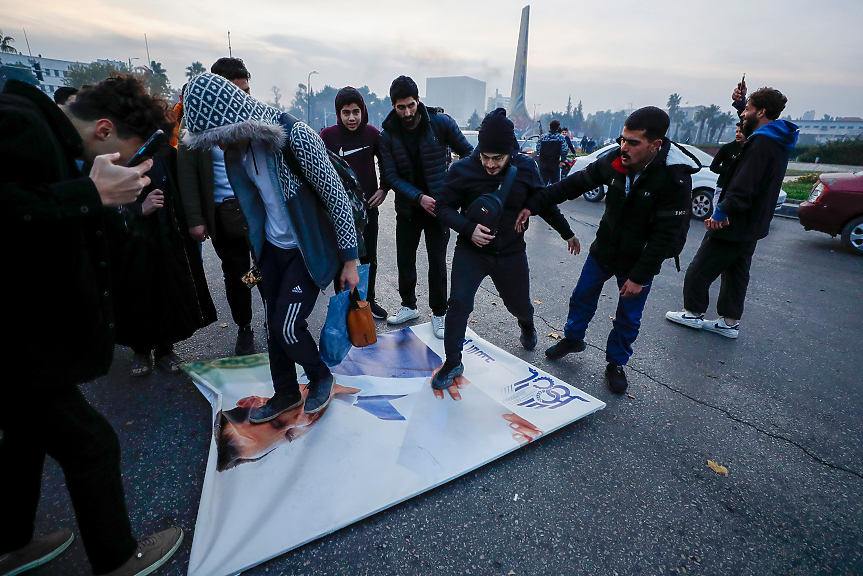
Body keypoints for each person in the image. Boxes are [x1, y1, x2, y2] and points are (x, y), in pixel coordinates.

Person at [0, 77, 182, 576]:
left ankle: (10, 545)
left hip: (22, 339)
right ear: (103, 130)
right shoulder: (19, 122)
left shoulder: (54, 142)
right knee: (92, 444)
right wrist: (88, 191)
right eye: (125, 157)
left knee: (22, 439)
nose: (125, 169)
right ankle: (118, 560)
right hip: (14, 341)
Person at [182, 72, 360, 422]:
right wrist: (254, 258)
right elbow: (256, 207)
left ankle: (321, 376)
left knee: (288, 325)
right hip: (271, 251)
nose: (219, 146)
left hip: (307, 248)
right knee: (271, 324)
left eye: (220, 137)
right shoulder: (239, 152)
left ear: (234, 122)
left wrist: (350, 259)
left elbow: (336, 198)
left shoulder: (295, 137)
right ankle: (286, 393)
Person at [517, 107, 696, 394]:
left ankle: (616, 363)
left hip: (640, 260)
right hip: (605, 249)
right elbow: (572, 185)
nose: (624, 147)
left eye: (633, 142)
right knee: (582, 296)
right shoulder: (615, 160)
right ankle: (573, 339)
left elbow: (666, 237)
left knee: (628, 316)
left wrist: (638, 277)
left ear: (655, 145)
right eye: (622, 139)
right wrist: (532, 206)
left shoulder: (673, 178)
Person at [433, 109, 578, 391]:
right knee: (459, 304)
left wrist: (567, 232)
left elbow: (544, 202)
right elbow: (443, 207)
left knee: (518, 305)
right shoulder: (463, 169)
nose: (489, 165)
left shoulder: (525, 168)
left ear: (510, 152)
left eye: (497, 159)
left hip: (511, 253)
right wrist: (467, 228)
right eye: (484, 157)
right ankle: (452, 361)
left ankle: (527, 323)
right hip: (471, 252)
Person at [94, 78, 216, 376]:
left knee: (168, 289)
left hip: (166, 235)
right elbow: (100, 200)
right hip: (128, 239)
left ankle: (165, 349)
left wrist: (192, 220)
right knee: (135, 292)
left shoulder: (162, 149)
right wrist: (139, 209)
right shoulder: (109, 154)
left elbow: (184, 184)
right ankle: (140, 351)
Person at [666, 88, 798, 339]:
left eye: (748, 109)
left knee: (700, 268)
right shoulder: (777, 137)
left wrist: (722, 210)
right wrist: (740, 104)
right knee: (737, 272)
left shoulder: (762, 143)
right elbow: (752, 127)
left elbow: (746, 182)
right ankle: (729, 322)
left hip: (736, 220)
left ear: (761, 111)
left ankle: (693, 312)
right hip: (754, 221)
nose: (743, 116)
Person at [378, 75, 473, 338]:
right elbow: (391, 176)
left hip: (439, 208)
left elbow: (469, 154)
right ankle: (408, 305)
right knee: (405, 260)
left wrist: (452, 183)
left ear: (418, 100)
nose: (407, 112)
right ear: (393, 105)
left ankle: (439, 314)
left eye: (411, 105)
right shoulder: (387, 135)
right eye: (401, 107)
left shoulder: (441, 123)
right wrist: (418, 197)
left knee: (437, 263)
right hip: (408, 208)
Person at [178, 58, 258, 356]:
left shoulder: (254, 116)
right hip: (224, 216)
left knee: (265, 267)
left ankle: (274, 322)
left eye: (247, 91)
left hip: (257, 211)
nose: (243, 98)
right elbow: (186, 174)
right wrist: (195, 219)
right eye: (237, 92)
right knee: (236, 274)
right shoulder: (195, 122)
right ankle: (245, 326)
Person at [320, 86, 389, 319]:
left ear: (363, 111)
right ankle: (345, 305)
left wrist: (384, 188)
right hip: (339, 212)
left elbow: (389, 165)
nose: (351, 118)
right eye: (346, 112)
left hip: (368, 210)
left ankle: (367, 303)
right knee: (342, 261)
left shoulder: (371, 134)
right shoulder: (327, 137)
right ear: (338, 113)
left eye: (356, 111)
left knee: (370, 258)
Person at [709, 121, 746, 210]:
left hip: (738, 190)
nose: (738, 134)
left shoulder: (749, 150)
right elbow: (713, 167)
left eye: (741, 132)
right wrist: (730, 171)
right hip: (722, 187)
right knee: (716, 218)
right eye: (737, 132)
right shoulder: (727, 148)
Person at [536, 119, 568, 185]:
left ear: (550, 127)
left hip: (543, 162)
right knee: (555, 185)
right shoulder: (561, 138)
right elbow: (564, 150)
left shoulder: (543, 137)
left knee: (542, 183)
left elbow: (538, 149)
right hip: (554, 163)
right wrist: (562, 160)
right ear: (558, 128)